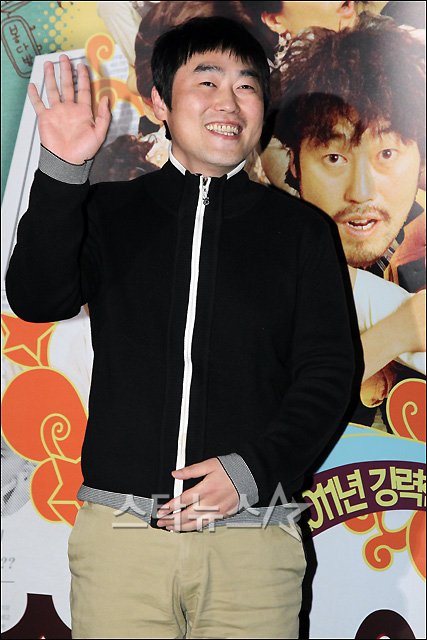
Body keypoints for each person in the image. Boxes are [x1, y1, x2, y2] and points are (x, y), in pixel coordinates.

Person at [6, 16, 356, 639]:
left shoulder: (301, 233)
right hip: (121, 542)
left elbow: (329, 374)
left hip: (254, 544)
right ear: (161, 103)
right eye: (207, 81)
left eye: (247, 86)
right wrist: (62, 167)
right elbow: (36, 298)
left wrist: (250, 472)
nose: (229, 102)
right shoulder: (112, 213)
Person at [272, 13, 425, 424]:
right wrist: (398, 332)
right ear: (295, 164)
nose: (361, 191)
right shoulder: (264, 260)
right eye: (335, 157)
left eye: (387, 153)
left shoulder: (417, 237)